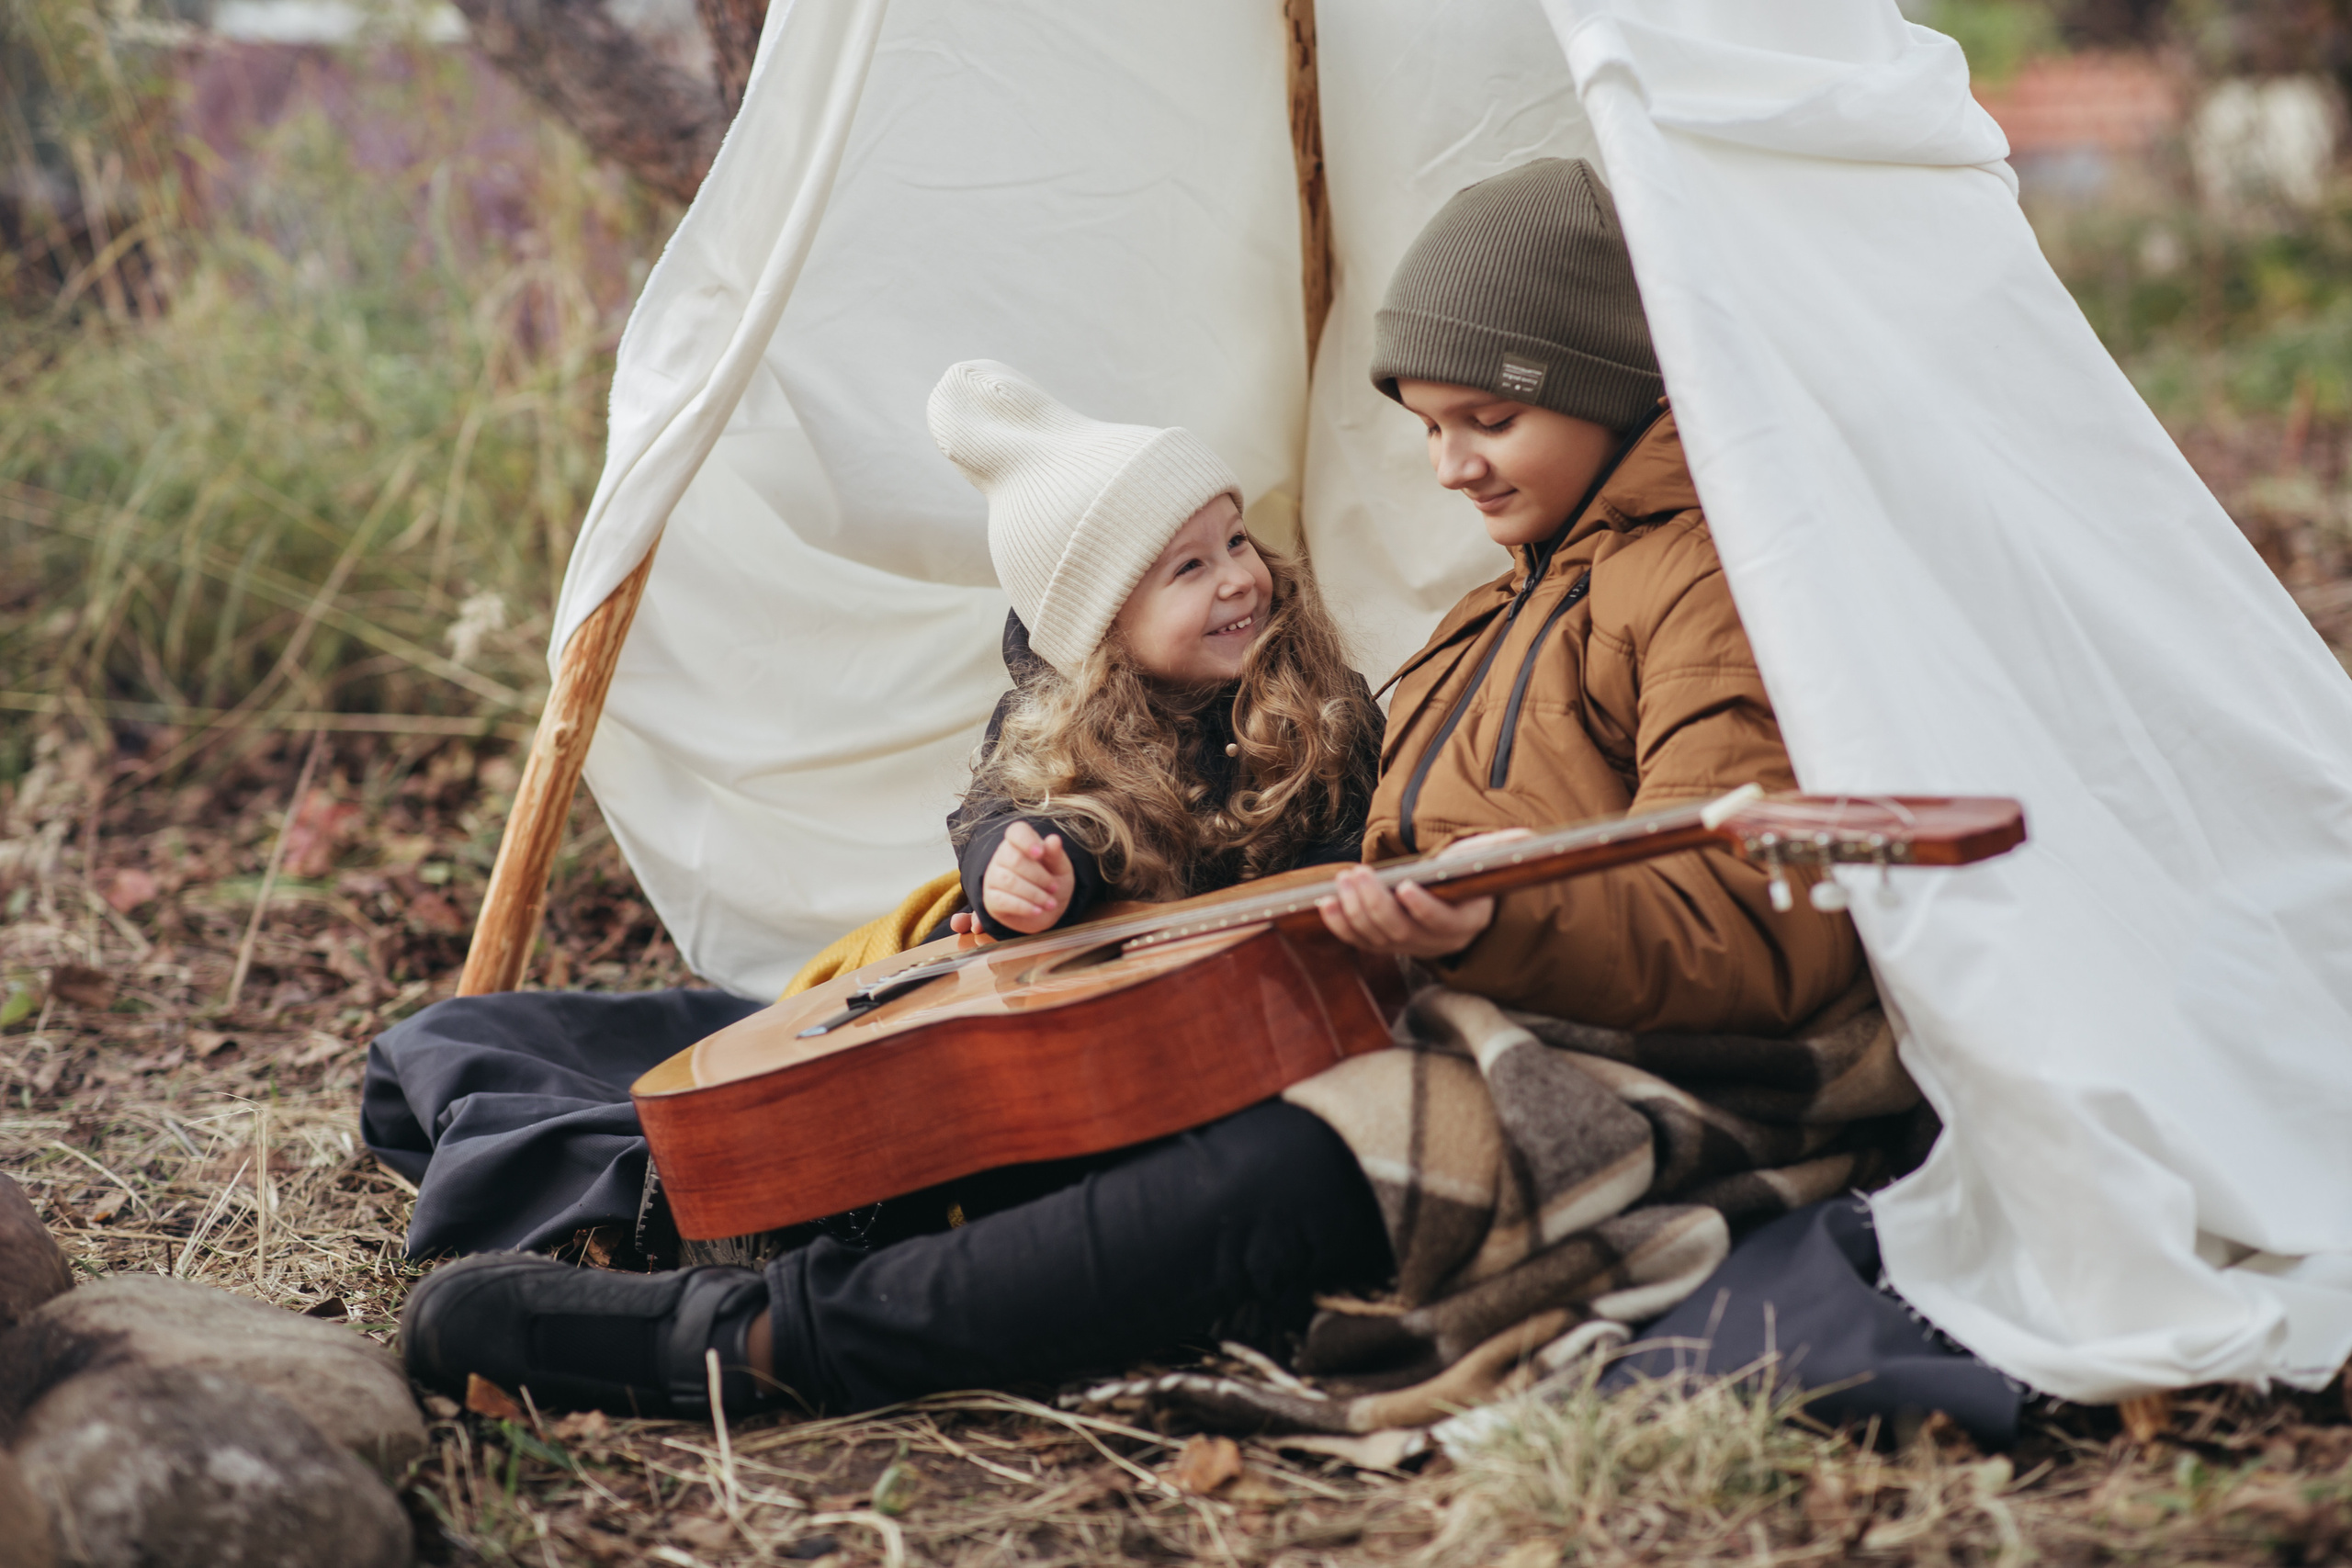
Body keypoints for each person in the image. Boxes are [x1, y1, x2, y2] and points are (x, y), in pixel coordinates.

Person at [396, 160, 1890, 1425]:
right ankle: (717, 1219)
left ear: (1605, 384)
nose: (1447, 467)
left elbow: (1762, 931)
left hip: (1618, 1061)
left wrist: (1477, 932)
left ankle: (762, 1347)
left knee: (1286, 1172)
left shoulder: (1704, 583)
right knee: (1085, 1066)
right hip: (1430, 998)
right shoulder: (1496, 610)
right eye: (1426, 426)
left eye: (1484, 421)